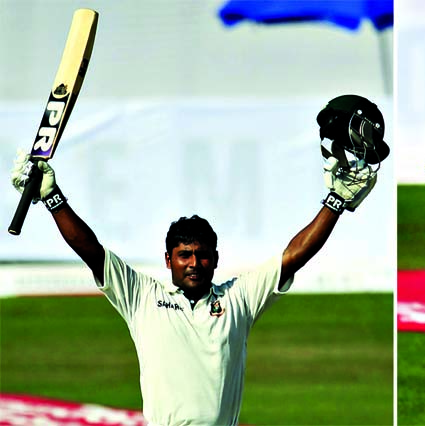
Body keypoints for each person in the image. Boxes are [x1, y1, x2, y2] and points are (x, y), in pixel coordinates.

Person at [10, 94, 389, 426]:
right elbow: (90, 250)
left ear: (216, 259)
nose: (193, 263)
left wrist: (335, 203)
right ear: (168, 260)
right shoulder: (141, 297)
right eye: (184, 255)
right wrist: (53, 196)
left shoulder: (238, 298)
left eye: (202, 256)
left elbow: (293, 257)